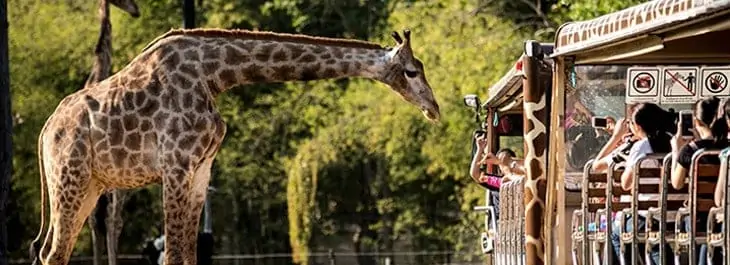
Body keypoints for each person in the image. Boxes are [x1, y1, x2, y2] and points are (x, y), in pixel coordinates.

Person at [591, 102, 675, 265]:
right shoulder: (674, 143)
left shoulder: (639, 147)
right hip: (674, 217)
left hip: (647, 217)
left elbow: (625, 183)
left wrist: (616, 138)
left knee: (616, 232)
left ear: (637, 125)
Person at [671, 97, 729, 265]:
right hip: (722, 211)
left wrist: (677, 150)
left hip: (699, 217)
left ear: (695, 121)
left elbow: (677, 183)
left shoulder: (692, 150)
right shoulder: (726, 148)